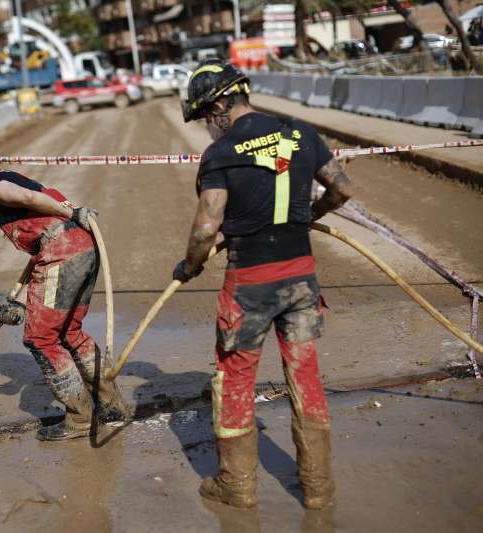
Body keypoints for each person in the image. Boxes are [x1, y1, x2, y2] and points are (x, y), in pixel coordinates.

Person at [175, 60, 353, 509]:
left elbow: (205, 227)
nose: (207, 129)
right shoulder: (301, 135)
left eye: (203, 118)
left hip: (250, 284)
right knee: (305, 376)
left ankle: (237, 486)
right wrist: (309, 216)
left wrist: (190, 265)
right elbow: (342, 189)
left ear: (219, 106)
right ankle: (319, 490)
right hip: (300, 279)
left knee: (235, 379)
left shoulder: (221, 153)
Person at [0, 157, 129, 441]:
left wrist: (74, 213)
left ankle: (78, 420)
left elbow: (28, 197)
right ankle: (112, 409)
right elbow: (39, 237)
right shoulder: (1, 178)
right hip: (78, 248)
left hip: (62, 252)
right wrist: (22, 301)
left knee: (40, 338)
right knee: (69, 333)